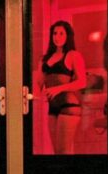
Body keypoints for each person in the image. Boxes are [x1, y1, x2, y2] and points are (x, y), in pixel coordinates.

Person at [40, 21, 86, 155]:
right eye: (55, 33)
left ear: (68, 36)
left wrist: (58, 89)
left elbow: (82, 82)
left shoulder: (73, 55)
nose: (57, 37)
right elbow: (40, 83)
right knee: (57, 152)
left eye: (61, 33)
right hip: (52, 107)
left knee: (63, 151)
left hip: (69, 106)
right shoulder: (46, 58)